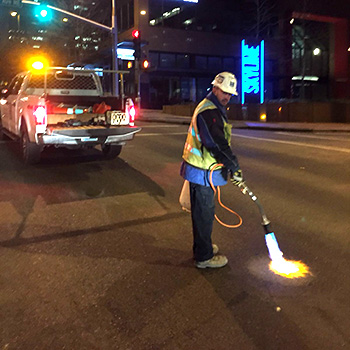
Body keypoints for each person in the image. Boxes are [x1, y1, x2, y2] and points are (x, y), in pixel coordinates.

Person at [180, 72, 244, 269]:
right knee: (203, 215)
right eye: (224, 92)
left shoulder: (212, 107)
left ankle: (203, 247)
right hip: (201, 173)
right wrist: (233, 166)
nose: (226, 97)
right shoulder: (209, 112)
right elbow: (216, 144)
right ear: (215, 88)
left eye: (229, 94)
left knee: (202, 214)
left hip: (200, 170)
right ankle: (204, 257)